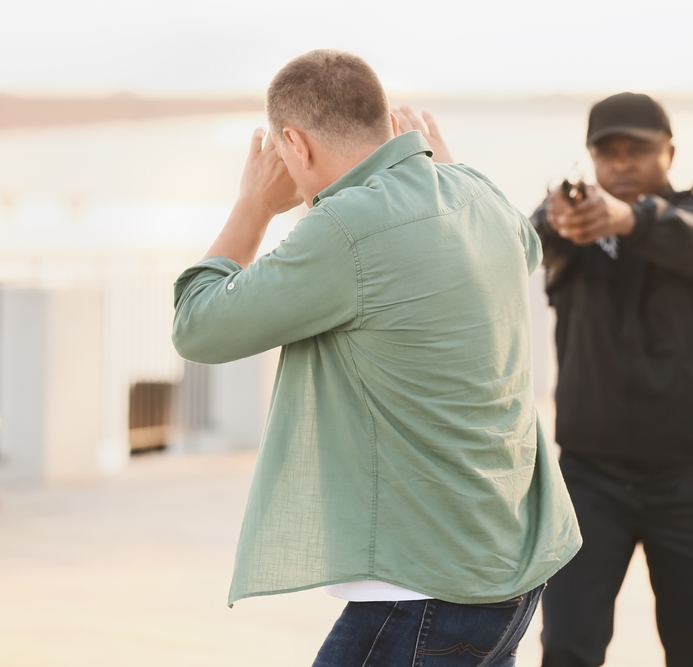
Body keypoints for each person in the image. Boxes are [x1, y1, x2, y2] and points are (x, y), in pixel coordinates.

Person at [171, 49, 581, 667]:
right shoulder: (473, 192)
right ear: (390, 126)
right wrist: (442, 169)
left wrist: (253, 205)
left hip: (423, 588)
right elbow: (523, 247)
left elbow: (199, 328)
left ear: (294, 144)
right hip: (511, 565)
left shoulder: (345, 228)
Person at [531, 93, 693, 667]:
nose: (622, 164)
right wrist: (554, 218)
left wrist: (631, 220)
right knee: (568, 648)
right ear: (591, 158)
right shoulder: (570, 230)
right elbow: (523, 244)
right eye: (608, 152)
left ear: (669, 151)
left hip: (690, 481)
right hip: (589, 479)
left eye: (638, 150)